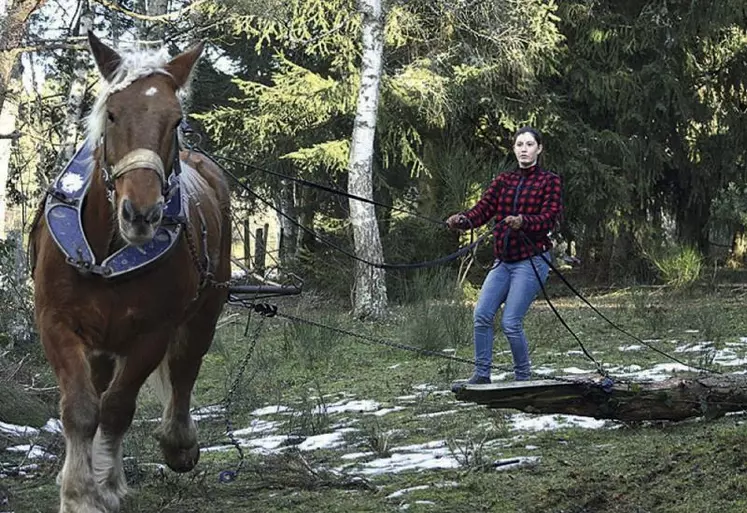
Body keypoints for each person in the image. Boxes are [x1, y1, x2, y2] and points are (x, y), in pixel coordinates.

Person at [446, 127, 563, 391]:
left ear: (539, 149)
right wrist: (463, 220)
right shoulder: (503, 181)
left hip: (532, 259)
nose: (524, 148)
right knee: (482, 314)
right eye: (519, 144)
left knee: (511, 321)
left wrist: (524, 222)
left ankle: (523, 378)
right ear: (514, 149)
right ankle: (481, 375)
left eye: (530, 144)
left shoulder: (549, 181)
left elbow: (550, 216)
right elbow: (482, 210)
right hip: (503, 261)